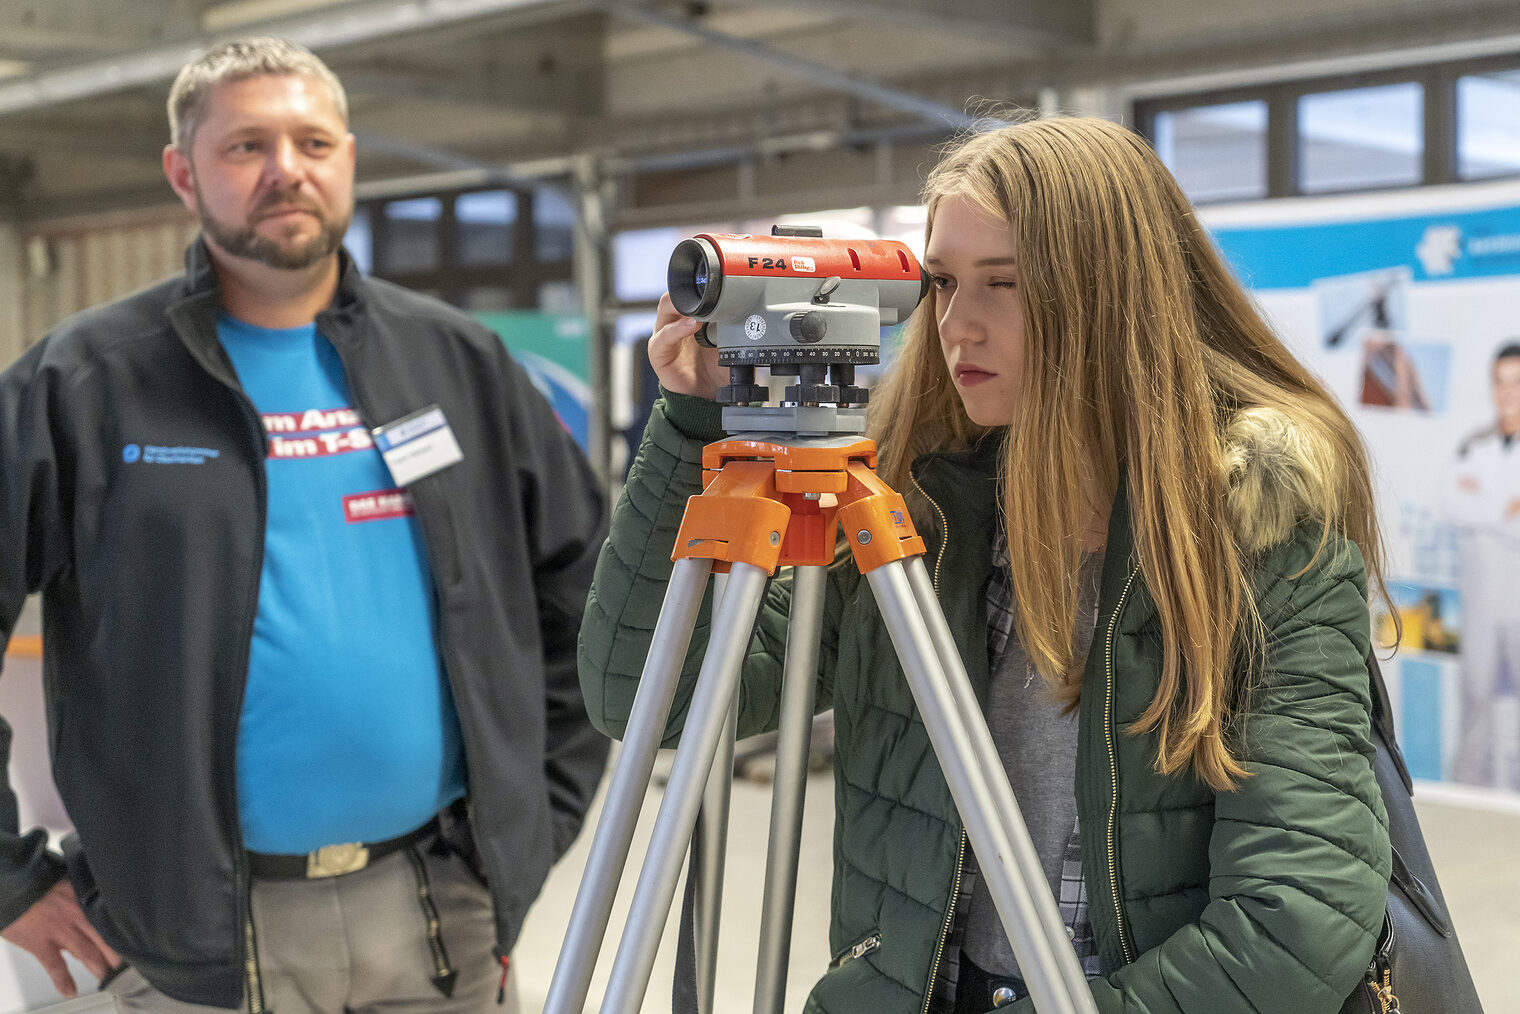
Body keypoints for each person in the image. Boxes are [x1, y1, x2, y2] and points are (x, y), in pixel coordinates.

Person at [580, 116, 1393, 1013]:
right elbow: (661, 695)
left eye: (1003, 284)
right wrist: (698, 424)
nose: (958, 326)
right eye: (942, 284)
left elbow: (1298, 916)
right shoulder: (919, 504)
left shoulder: (1258, 532)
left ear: (1109, 297)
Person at [0, 36, 608, 1013]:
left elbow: (584, 593)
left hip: (438, 912)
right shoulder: (81, 384)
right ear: (183, 174)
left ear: (348, 161)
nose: (286, 169)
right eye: (246, 147)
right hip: (189, 943)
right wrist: (10, 876)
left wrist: (526, 832)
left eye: (312, 142)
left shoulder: (459, 364)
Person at [1448, 341, 1520, 788]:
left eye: (1516, 382)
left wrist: (1485, 506)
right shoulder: (1472, 445)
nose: (1507, 392)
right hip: (1479, 604)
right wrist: (1506, 508)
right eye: (1500, 382)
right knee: (1474, 706)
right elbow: (1454, 504)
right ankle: (1467, 806)